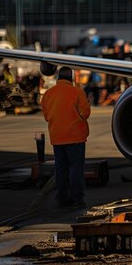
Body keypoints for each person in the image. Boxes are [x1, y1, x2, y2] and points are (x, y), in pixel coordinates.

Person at [41, 67, 91, 208]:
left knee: (61, 170)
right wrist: (88, 103)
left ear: (58, 78)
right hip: (75, 138)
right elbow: (85, 114)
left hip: (57, 138)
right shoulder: (77, 92)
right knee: (75, 169)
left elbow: (46, 117)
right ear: (71, 78)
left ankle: (62, 199)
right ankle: (77, 199)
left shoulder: (48, 94)